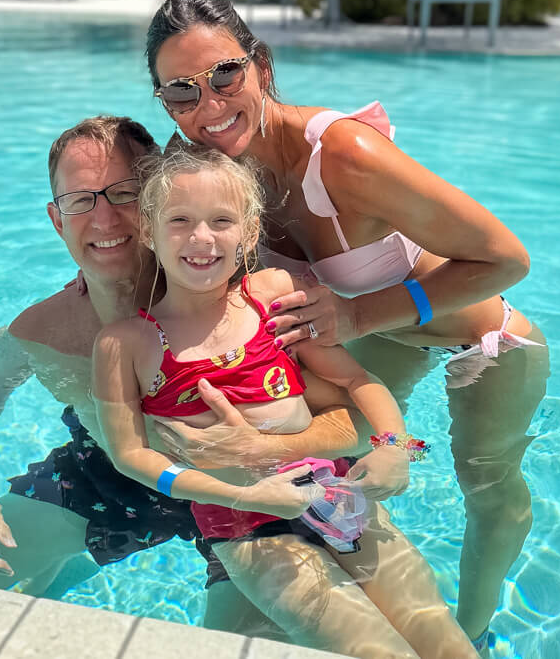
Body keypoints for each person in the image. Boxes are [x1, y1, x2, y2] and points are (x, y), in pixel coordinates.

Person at [144, 0, 551, 655]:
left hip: (480, 340)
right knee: (345, 477)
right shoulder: (211, 176)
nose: (209, 106)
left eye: (225, 75)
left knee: (486, 482)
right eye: (182, 92)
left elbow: (506, 258)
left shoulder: (343, 156)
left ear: (261, 66)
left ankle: (474, 627)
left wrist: (359, 312)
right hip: (374, 342)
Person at [0, 115, 370, 638]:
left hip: (262, 495)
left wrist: (261, 449)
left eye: (125, 192)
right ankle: (64, 569)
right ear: (56, 218)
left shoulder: (253, 303)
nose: (106, 219)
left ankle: (67, 570)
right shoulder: (44, 330)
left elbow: (359, 416)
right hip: (116, 481)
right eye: (81, 200)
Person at [93, 143, 477, 659]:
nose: (202, 237)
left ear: (249, 232)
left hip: (338, 493)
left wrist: (395, 447)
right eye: (179, 219)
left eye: (222, 220)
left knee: (447, 647)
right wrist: (249, 497)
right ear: (148, 231)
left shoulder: (272, 296)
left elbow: (359, 381)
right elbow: (130, 456)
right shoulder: (126, 344)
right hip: (246, 525)